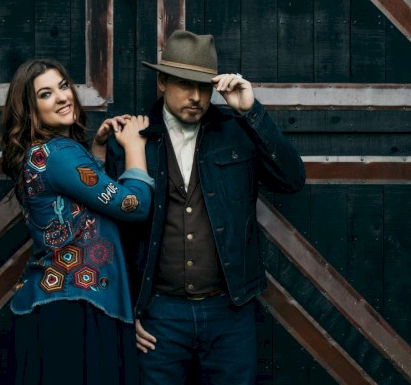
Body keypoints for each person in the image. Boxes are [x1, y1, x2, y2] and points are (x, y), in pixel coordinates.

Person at [104, 30, 306, 384]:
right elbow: (110, 234)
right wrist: (125, 310)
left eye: (204, 86)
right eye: (185, 84)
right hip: (159, 316)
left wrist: (250, 111)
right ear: (163, 81)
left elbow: (292, 179)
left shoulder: (237, 131)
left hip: (229, 310)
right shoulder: (133, 140)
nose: (196, 97)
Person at [0, 58, 153, 384]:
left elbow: (80, 203)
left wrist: (96, 151)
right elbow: (134, 205)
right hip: (73, 309)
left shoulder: (50, 153)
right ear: (31, 109)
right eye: (45, 94)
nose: (61, 97)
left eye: (63, 86)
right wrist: (135, 148)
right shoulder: (60, 155)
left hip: (64, 304)